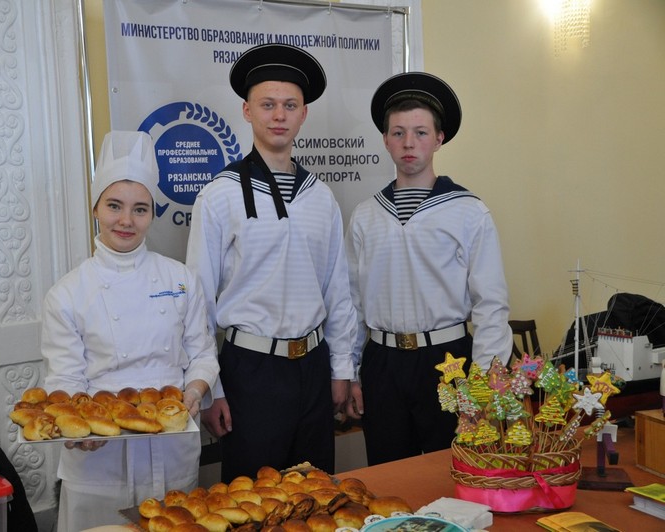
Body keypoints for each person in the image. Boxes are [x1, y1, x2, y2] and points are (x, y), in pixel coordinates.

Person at [185, 43, 358, 481]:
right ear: (247, 111)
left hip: (313, 367)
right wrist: (211, 389)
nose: (279, 115)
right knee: (252, 499)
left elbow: (338, 291)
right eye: (267, 104)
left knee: (316, 494)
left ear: (303, 115)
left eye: (289, 105)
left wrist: (341, 369)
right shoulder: (220, 194)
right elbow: (198, 300)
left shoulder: (321, 198)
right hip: (250, 371)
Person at [41, 131, 219, 532]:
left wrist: (194, 392)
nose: (126, 221)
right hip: (98, 460)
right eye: (114, 206)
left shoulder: (180, 278)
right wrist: (78, 427)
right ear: (95, 208)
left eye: (140, 209)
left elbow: (203, 354)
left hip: (171, 447)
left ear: (152, 213)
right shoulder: (67, 293)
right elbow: (65, 378)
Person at [345, 72, 514, 465]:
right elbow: (351, 302)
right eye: (398, 132)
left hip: (448, 361)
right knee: (390, 473)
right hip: (383, 363)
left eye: (420, 132)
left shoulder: (468, 211)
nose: (409, 143)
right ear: (385, 139)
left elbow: (491, 304)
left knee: (451, 470)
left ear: (439, 138)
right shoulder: (366, 215)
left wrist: (485, 381)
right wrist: (350, 371)